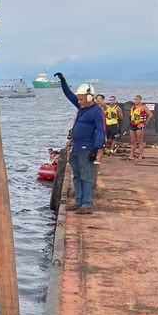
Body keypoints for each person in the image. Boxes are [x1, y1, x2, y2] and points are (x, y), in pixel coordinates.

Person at [54, 73, 105, 214]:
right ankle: (78, 201)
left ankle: (87, 204)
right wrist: (63, 81)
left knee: (86, 176)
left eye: (81, 99)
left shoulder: (97, 112)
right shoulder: (81, 106)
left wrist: (96, 148)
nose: (79, 101)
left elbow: (101, 131)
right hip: (76, 147)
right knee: (76, 175)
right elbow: (69, 94)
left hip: (86, 148)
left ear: (89, 97)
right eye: (79, 99)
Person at [129, 95, 153, 162]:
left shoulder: (143, 107)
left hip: (139, 126)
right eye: (135, 99)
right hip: (132, 125)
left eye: (137, 99)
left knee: (140, 142)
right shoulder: (132, 107)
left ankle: (140, 156)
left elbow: (151, 115)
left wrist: (144, 124)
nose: (135, 101)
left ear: (140, 100)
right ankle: (132, 155)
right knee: (133, 141)